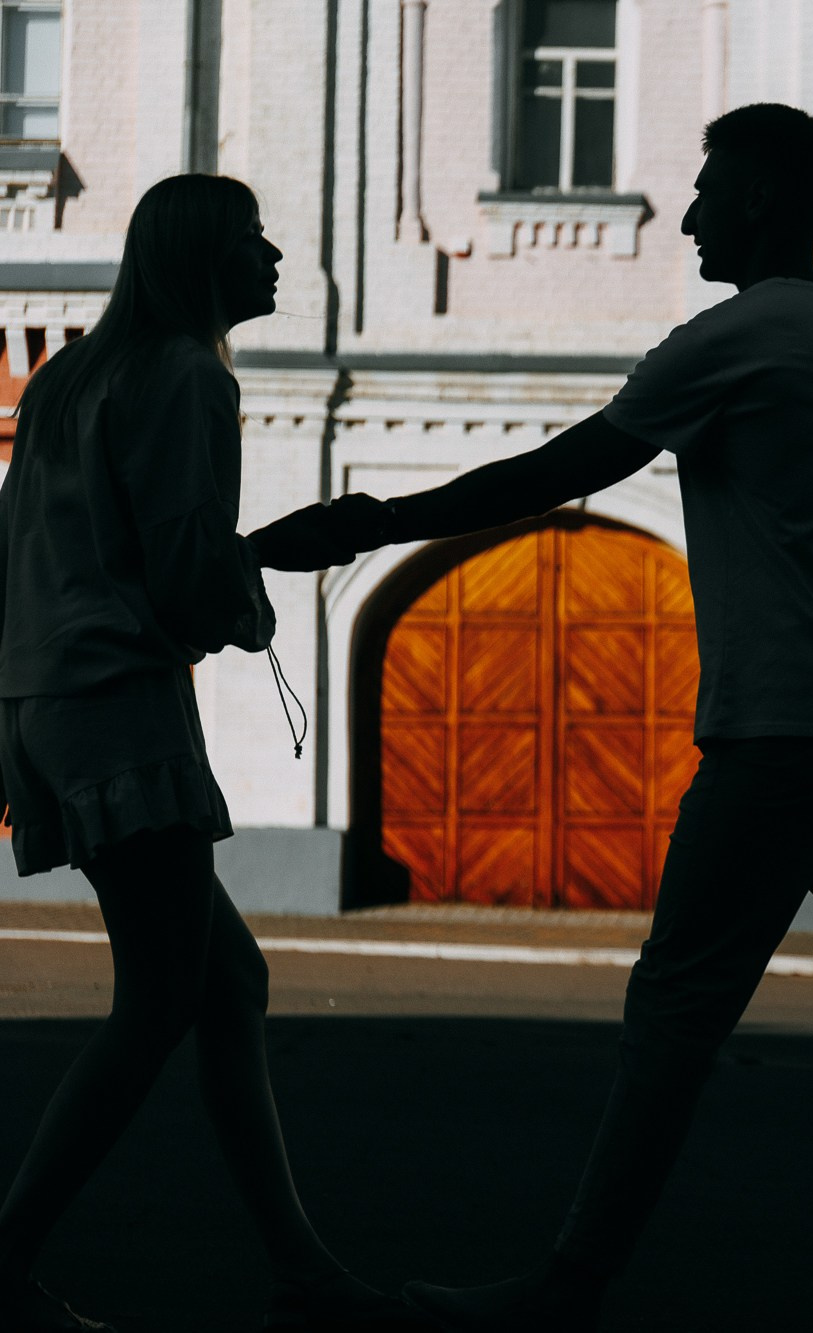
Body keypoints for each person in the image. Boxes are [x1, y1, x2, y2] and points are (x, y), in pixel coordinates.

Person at [251, 103, 813, 1333]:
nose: (687, 215)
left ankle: (566, 1289)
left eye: (708, 189)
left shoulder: (732, 338)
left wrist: (370, 524)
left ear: (763, 199)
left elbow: (559, 472)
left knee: (675, 1008)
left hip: (775, 739)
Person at [0, 174, 429, 1332]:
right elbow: (186, 578)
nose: (274, 254)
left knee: (226, 983)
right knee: (158, 1001)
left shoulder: (66, 378)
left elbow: (36, 555)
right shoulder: (191, 376)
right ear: (200, 258)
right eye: (251, 237)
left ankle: (299, 1262)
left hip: (49, 700)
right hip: (120, 703)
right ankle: (8, 1255)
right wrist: (269, 566)